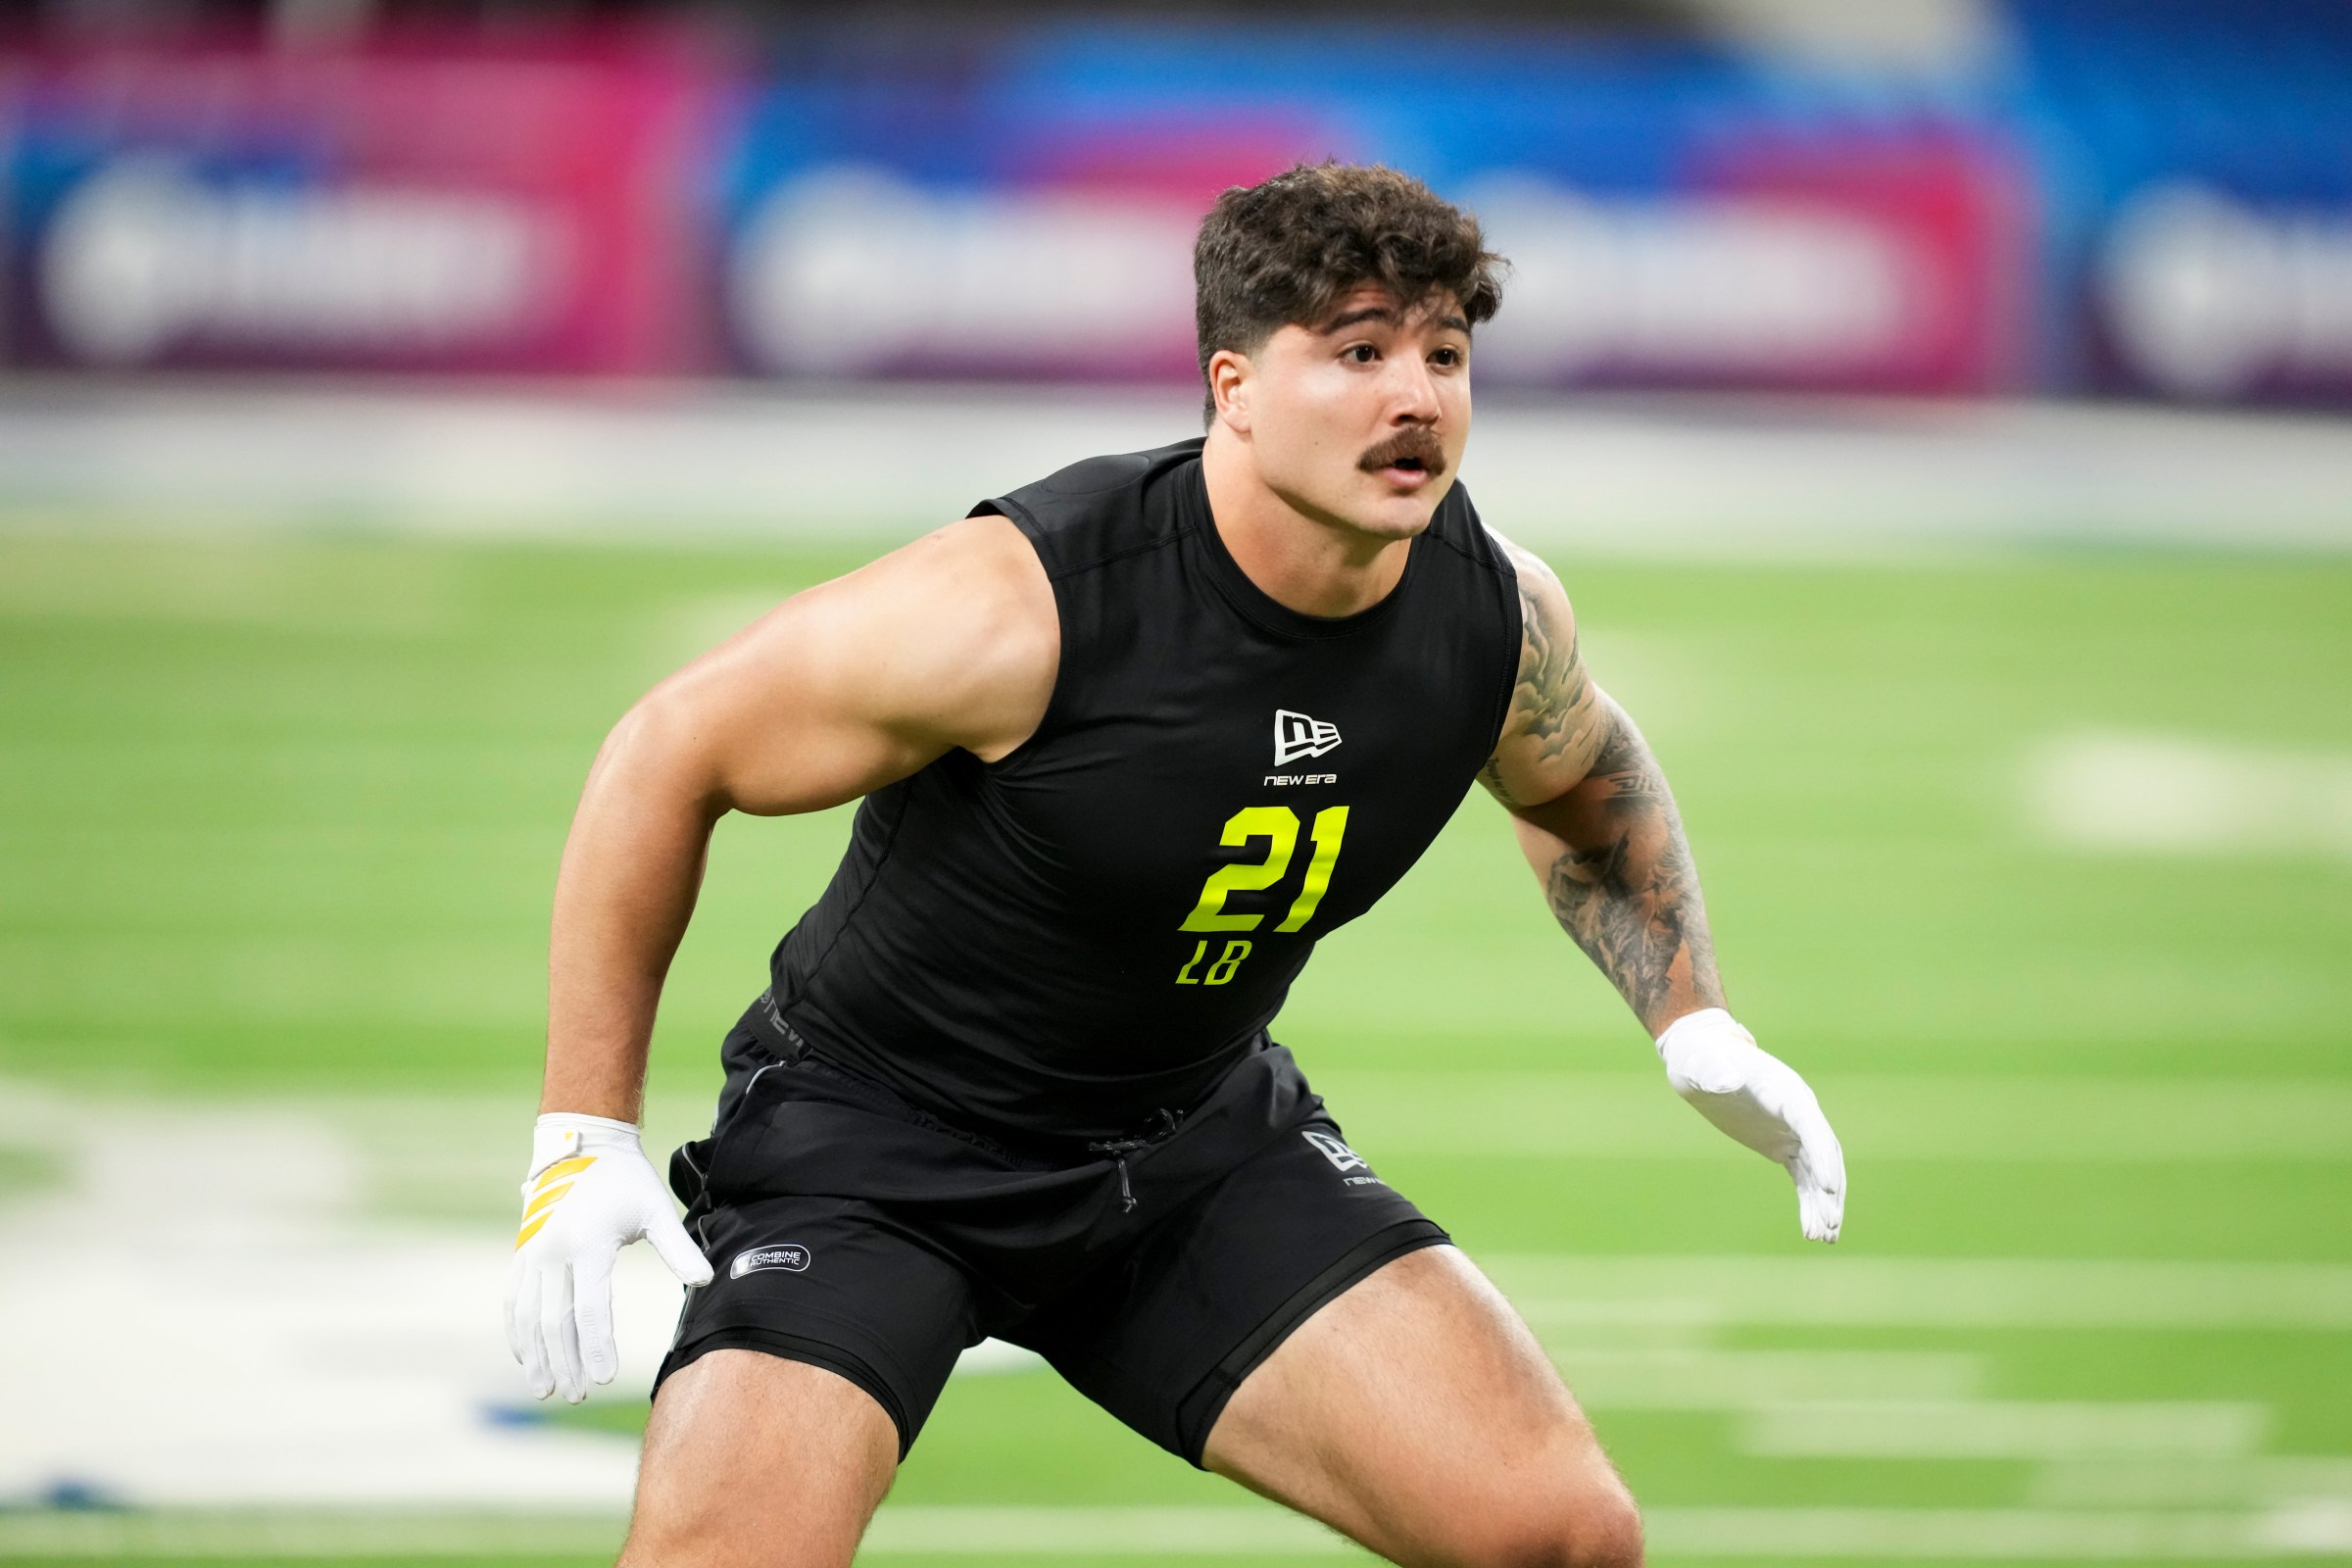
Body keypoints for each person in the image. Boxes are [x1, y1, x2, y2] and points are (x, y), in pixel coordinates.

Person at [505, 162, 1843, 1568]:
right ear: (1234, 387)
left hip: (1188, 1143)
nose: (1418, 396)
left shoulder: (1490, 607)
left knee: (1560, 1537)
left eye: (1445, 353)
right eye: (1360, 350)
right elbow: (666, 753)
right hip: (879, 1149)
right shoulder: (1025, 604)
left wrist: (1691, 1015)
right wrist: (580, 1132)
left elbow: (1586, 780)